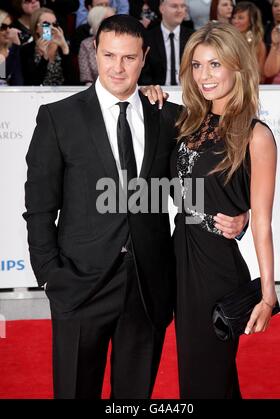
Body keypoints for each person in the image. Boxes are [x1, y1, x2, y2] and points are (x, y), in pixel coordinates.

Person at [23, 14, 246, 399]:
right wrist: (50, 277)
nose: (117, 67)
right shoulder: (59, 118)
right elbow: (39, 208)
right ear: (95, 52)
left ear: (144, 57)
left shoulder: (171, 117)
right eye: (109, 55)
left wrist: (240, 216)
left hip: (147, 289)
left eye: (128, 58)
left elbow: (198, 184)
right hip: (79, 286)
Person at [169, 21, 277, 398]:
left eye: (215, 64)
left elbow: (262, 221)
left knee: (205, 377)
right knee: (200, 375)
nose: (204, 75)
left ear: (237, 67)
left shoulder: (255, 134)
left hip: (216, 269)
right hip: (181, 258)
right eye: (197, 66)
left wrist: (267, 295)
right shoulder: (187, 121)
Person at [140, 0, 194, 85]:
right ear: (162, 8)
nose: (180, 10)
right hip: (157, 92)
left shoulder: (193, 37)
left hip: (187, 91)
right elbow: (144, 73)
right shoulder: (148, 38)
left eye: (183, 6)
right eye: (174, 6)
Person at [20, 7, 73, 85]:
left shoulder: (64, 48)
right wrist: (44, 58)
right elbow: (32, 83)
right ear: (36, 28)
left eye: (55, 24)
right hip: (36, 95)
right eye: (46, 24)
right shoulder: (26, 50)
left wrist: (65, 48)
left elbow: (72, 81)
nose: (52, 28)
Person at [78, 5, 115, 84]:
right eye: (107, 20)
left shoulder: (123, 43)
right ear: (97, 22)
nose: (114, 24)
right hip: (94, 90)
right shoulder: (86, 45)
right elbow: (86, 78)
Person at [232, 1, 267, 82]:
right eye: (234, 17)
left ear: (251, 21)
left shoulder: (258, 44)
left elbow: (261, 77)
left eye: (240, 18)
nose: (235, 21)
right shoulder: (227, 40)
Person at [0, 9, 23, 85]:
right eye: (3, 27)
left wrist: (16, 46)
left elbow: (19, 80)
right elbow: (2, 76)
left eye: (10, 26)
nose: (8, 31)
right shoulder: (14, 50)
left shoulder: (13, 49)